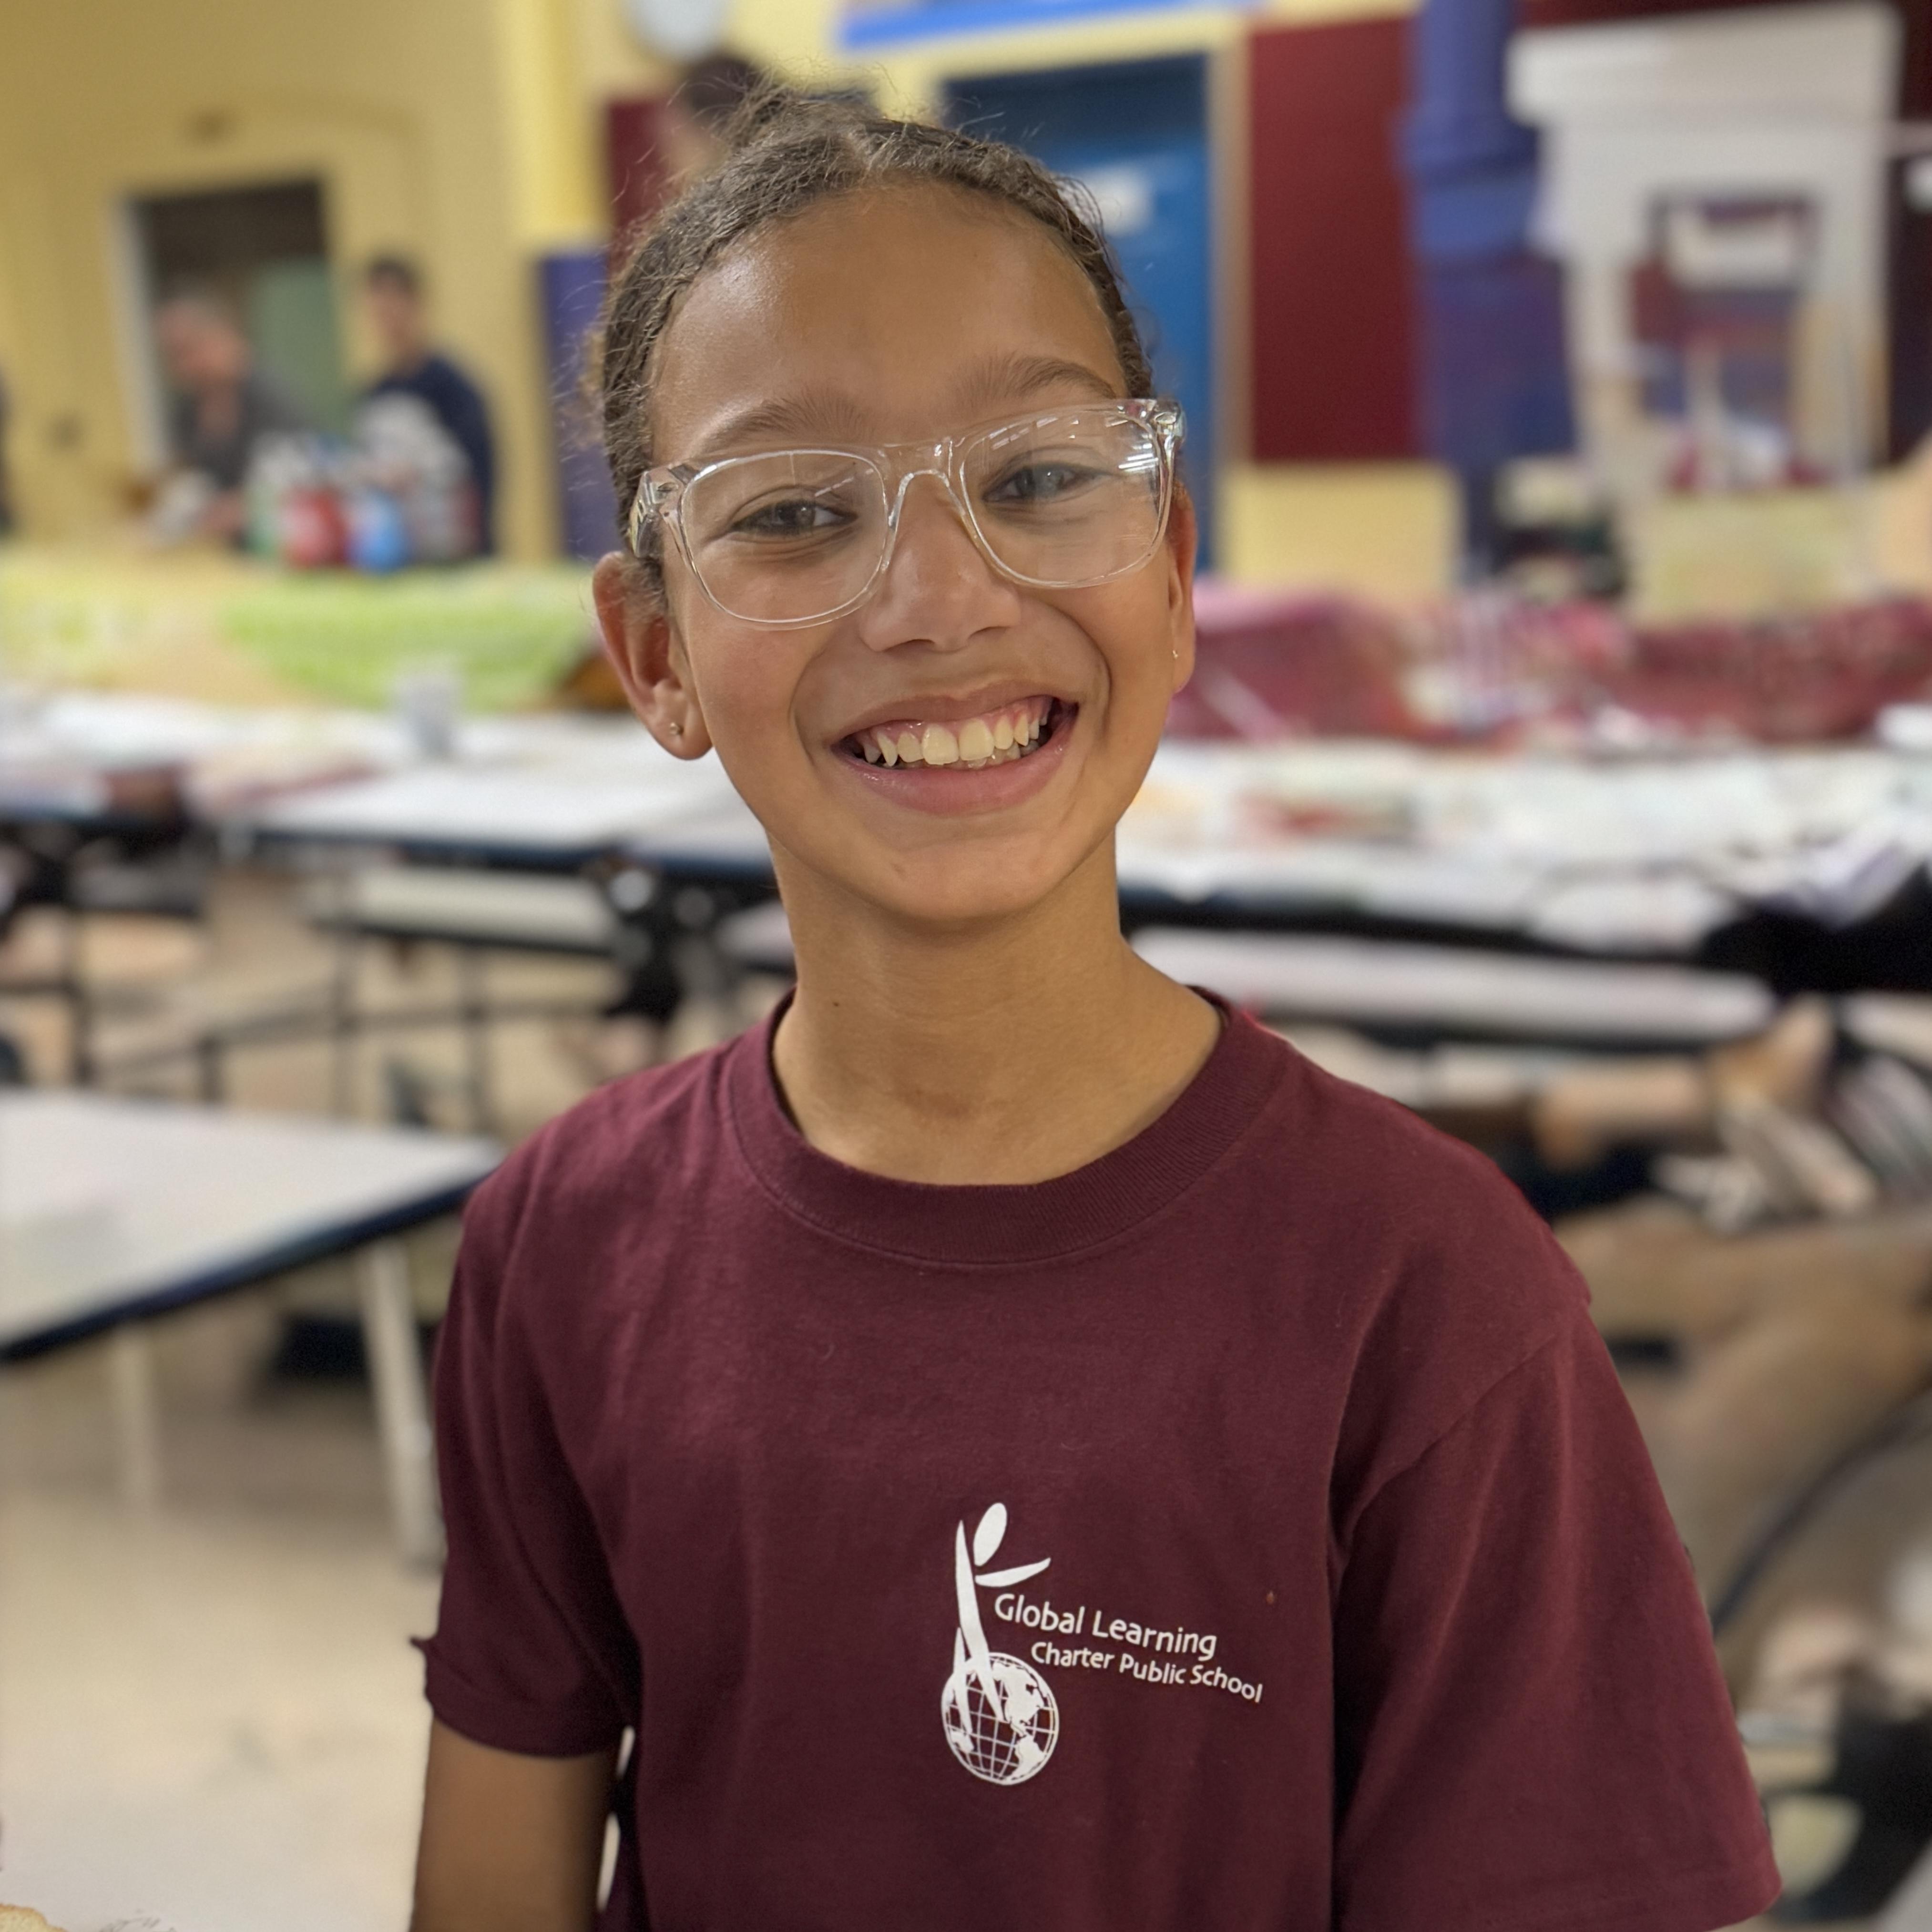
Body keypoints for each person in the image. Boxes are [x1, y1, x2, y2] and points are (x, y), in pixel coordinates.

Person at [409, 92, 1780, 1932]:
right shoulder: (566, 1244)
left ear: (1173, 564)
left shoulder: (1430, 1303)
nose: (937, 595)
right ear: (652, 650)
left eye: (1043, 476)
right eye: (795, 512)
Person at [362, 255, 497, 554]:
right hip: (401, 550)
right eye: (378, 308)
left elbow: (479, 471)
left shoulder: (452, 385)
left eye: (393, 303)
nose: (387, 317)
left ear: (414, 303)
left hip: (453, 547)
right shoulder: (376, 393)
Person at [153, 285, 308, 543]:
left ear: (220, 338)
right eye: (170, 356)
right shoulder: (187, 412)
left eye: (186, 351)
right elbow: (194, 484)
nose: (182, 367)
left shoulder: (268, 397)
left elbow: (297, 483)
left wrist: (237, 509)